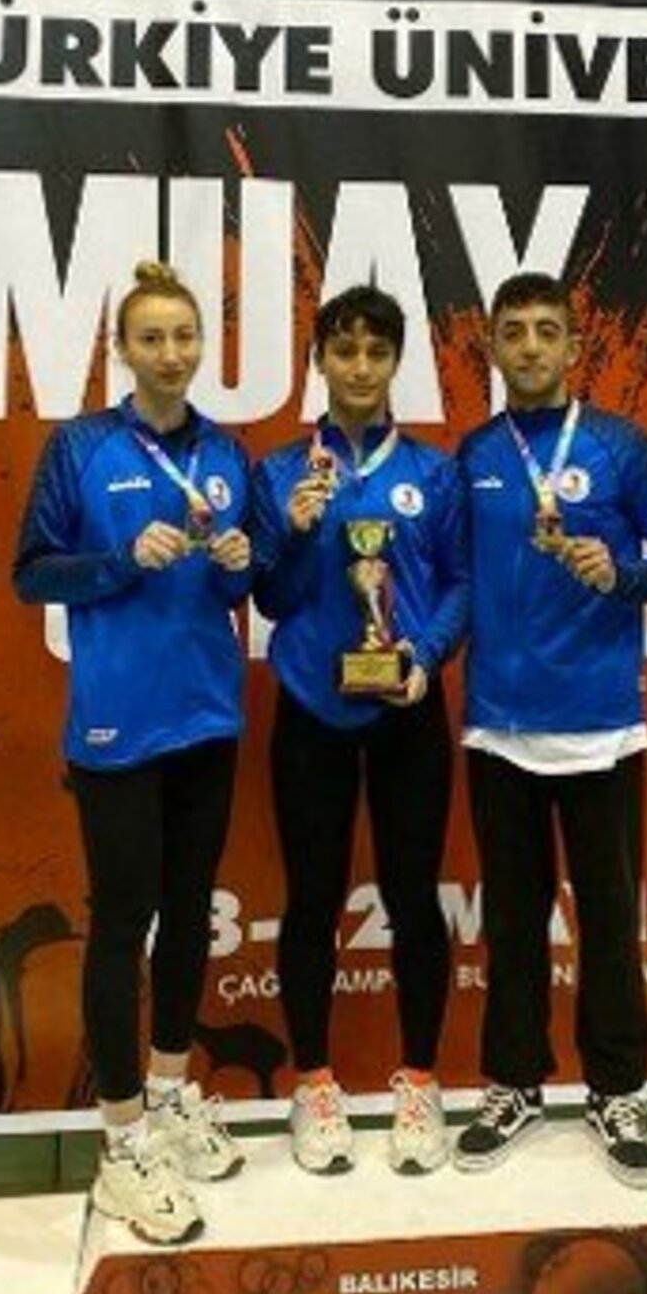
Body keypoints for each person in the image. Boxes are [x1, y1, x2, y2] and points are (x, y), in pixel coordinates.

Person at [453, 271, 647, 1187]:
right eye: (513, 331)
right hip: (499, 725)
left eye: (545, 330)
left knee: (606, 921)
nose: (529, 346)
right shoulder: (474, 454)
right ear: (493, 346)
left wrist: (623, 572)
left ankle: (617, 1092)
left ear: (573, 345)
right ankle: (515, 1084)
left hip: (600, 726)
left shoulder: (619, 445)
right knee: (513, 920)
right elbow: (450, 580)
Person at [13, 261, 251, 1244]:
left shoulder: (226, 453)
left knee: (191, 910)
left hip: (208, 717)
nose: (170, 353)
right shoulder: (81, 447)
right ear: (123, 349)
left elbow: (239, 586)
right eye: (151, 337)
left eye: (184, 336)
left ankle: (168, 1093)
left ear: (202, 346)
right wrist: (119, 561)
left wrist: (240, 562)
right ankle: (120, 1145)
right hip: (117, 725)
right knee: (123, 922)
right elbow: (32, 573)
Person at [252, 284, 468, 1176]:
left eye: (377, 351)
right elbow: (270, 596)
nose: (360, 366)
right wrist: (295, 531)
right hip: (311, 709)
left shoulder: (434, 473)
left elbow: (459, 584)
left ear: (395, 362)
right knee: (312, 898)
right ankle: (313, 1083)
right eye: (344, 350)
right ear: (319, 361)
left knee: (414, 898)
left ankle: (419, 1079)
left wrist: (426, 652)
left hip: (407, 707)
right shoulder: (279, 473)